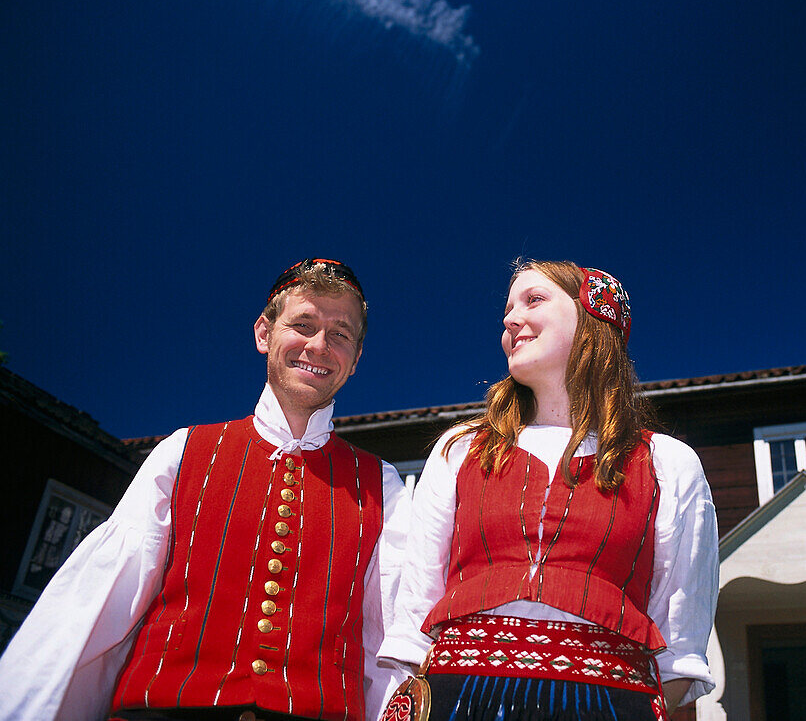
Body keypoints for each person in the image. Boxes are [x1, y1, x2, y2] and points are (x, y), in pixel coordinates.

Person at [0, 258, 410, 721]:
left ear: (355, 360)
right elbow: (98, 604)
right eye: (304, 324)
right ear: (264, 334)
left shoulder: (383, 486)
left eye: (341, 334)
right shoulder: (185, 450)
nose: (319, 345)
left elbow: (388, 640)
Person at [378, 261, 718, 720]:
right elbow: (416, 619)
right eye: (507, 309)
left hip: (608, 704)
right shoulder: (459, 451)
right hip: (459, 701)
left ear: (594, 317)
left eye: (533, 300)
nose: (510, 319)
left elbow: (679, 647)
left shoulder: (668, 463)